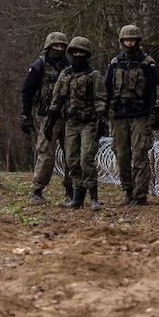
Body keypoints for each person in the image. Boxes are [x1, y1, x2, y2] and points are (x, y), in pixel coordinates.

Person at [46, 36, 107, 210]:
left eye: (81, 52)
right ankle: (77, 197)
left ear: (86, 55)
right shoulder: (65, 74)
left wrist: (101, 119)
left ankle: (93, 197)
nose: (78, 55)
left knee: (86, 159)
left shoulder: (93, 75)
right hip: (71, 123)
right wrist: (50, 120)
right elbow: (57, 99)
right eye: (75, 52)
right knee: (71, 160)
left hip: (88, 123)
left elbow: (100, 99)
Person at [104, 24, 159, 207]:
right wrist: (103, 114)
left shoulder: (147, 63)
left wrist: (155, 112)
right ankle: (128, 191)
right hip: (119, 116)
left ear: (138, 41)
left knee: (139, 155)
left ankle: (140, 195)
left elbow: (155, 89)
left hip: (140, 116)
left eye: (133, 40)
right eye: (127, 40)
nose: (130, 43)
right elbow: (107, 90)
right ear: (122, 42)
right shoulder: (115, 63)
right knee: (122, 155)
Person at [21, 32, 73, 205]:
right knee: (46, 154)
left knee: (71, 154)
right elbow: (27, 92)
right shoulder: (39, 66)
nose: (59, 49)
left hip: (68, 115)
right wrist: (25, 115)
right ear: (48, 47)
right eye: (55, 46)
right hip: (46, 116)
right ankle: (37, 190)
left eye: (61, 47)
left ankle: (70, 191)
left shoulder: (70, 65)